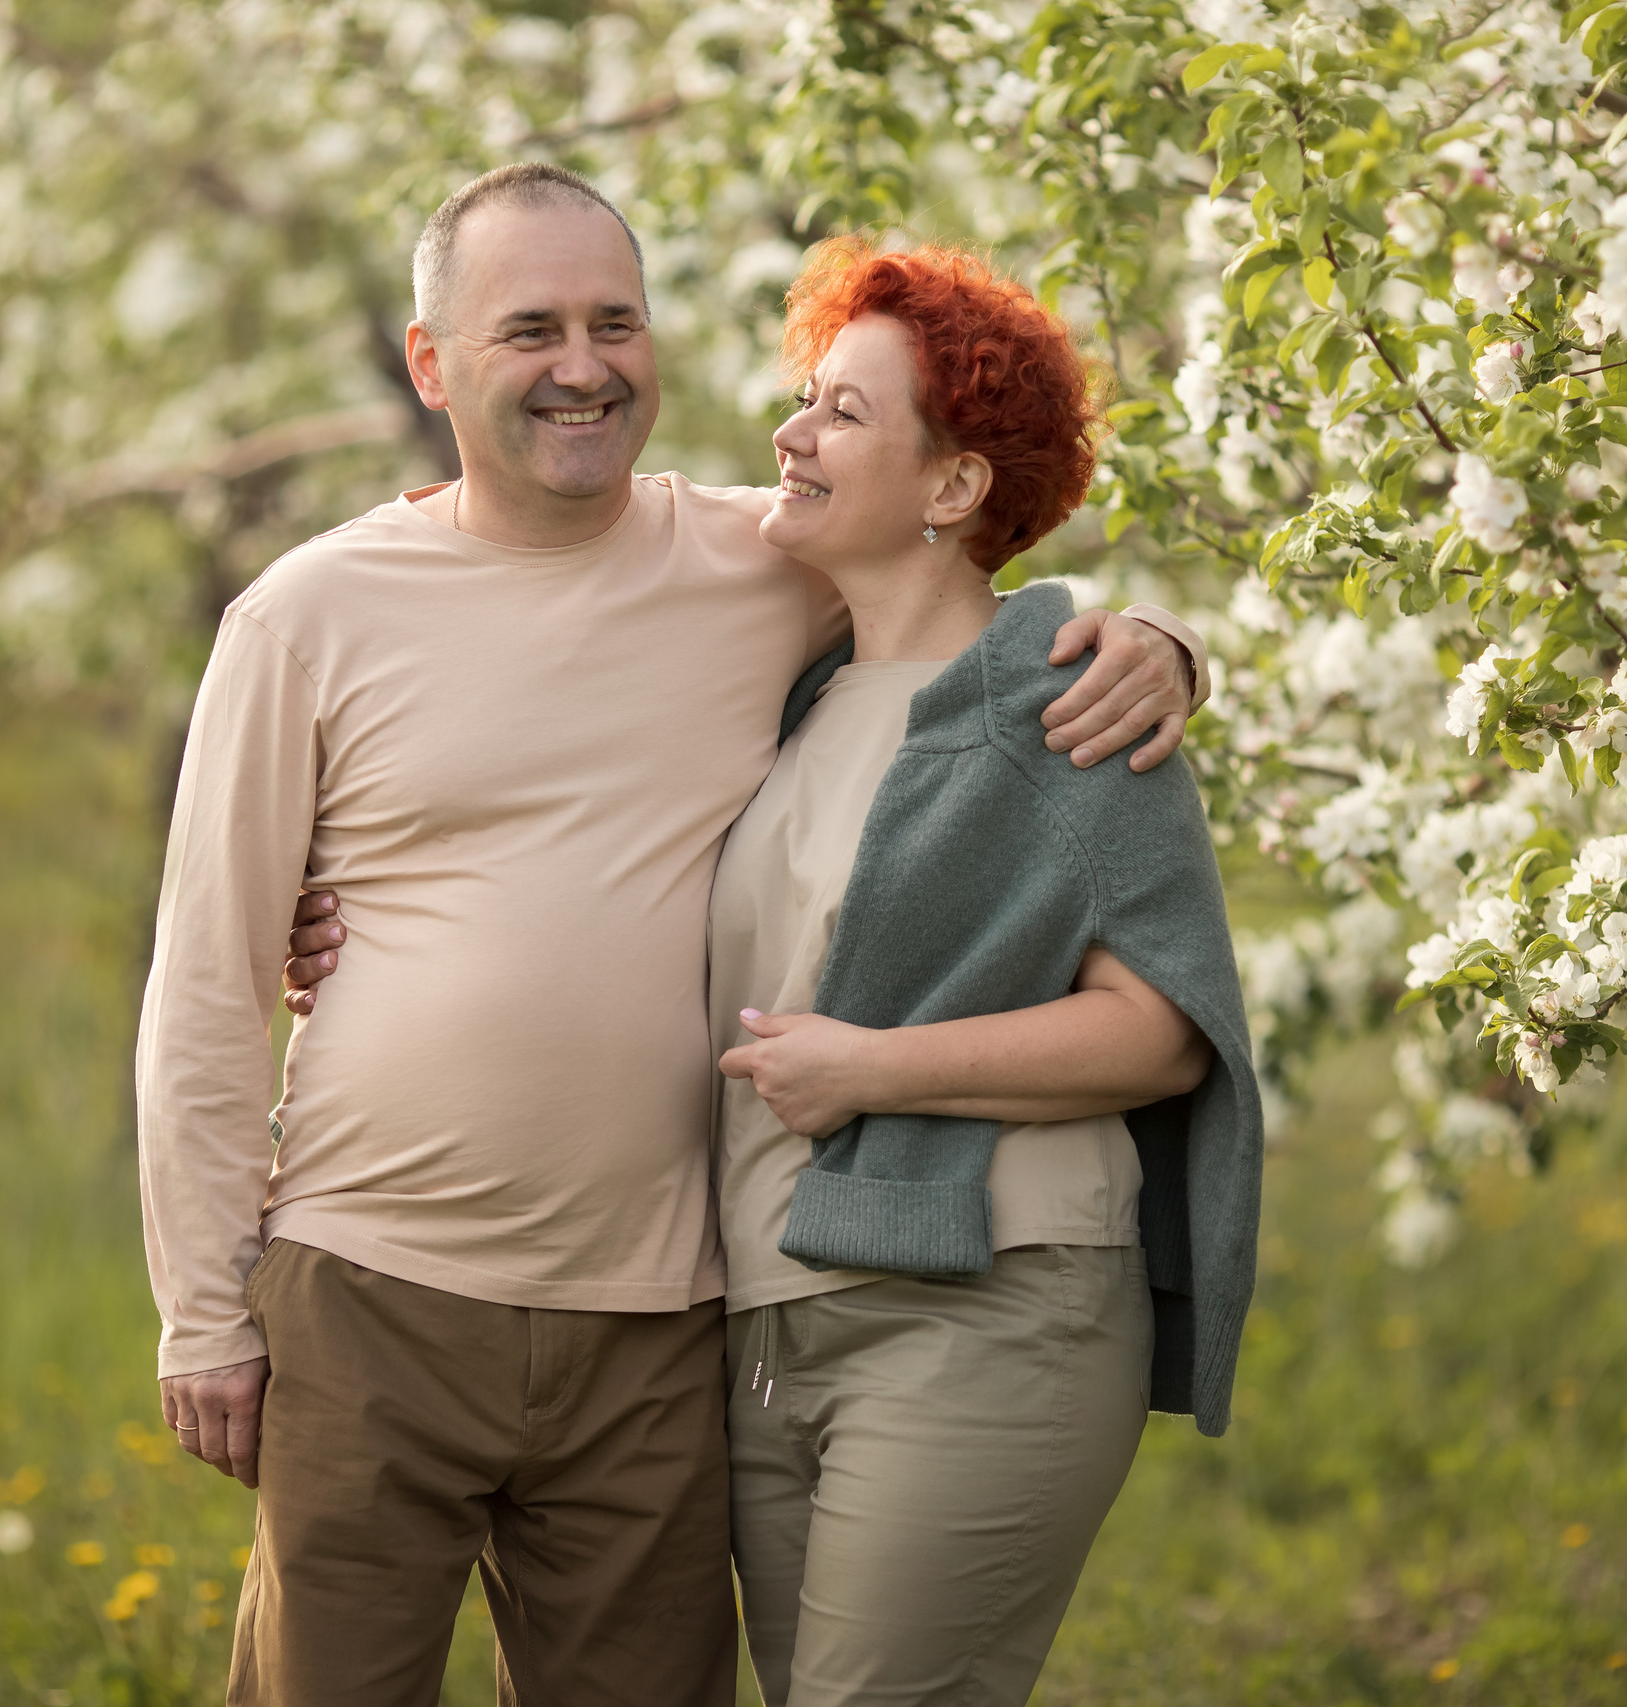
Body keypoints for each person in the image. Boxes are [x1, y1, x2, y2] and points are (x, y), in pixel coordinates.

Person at [137, 161, 1207, 1707]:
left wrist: (1160, 640)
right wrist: (202, 1315)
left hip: (659, 1322)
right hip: (369, 1291)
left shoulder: (760, 566)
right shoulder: (306, 615)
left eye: (615, 323)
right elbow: (209, 984)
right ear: (434, 363)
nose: (585, 366)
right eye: (532, 331)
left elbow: (959, 587)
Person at [703, 240, 1263, 1706]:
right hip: (769, 1309)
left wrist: (870, 1069)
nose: (791, 434)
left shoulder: (1064, 699)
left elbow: (1164, 1034)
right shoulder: (796, 693)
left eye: (841, 413)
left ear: (954, 489)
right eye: (802, 398)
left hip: (988, 1300)